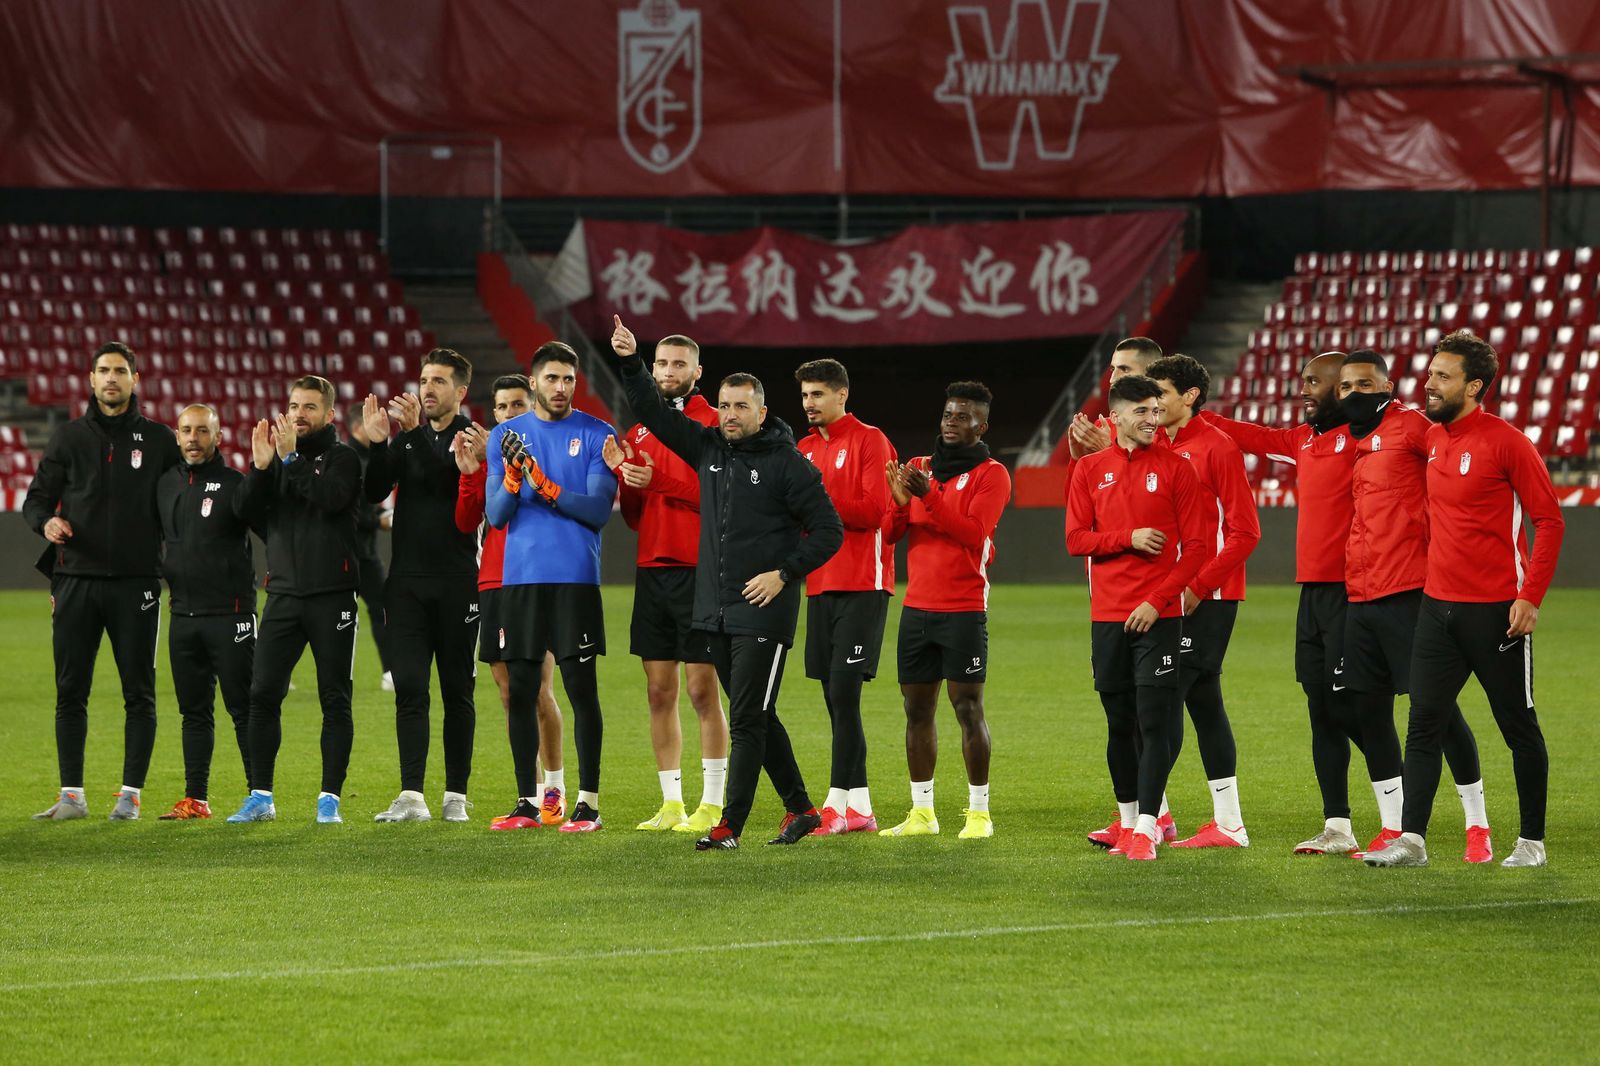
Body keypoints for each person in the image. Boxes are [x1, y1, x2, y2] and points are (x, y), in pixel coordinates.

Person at [612, 314, 843, 851]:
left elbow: (829, 531)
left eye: (743, 406)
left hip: (764, 608)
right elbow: (649, 408)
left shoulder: (789, 466)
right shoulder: (709, 448)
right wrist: (629, 362)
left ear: (762, 411)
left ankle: (727, 826)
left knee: (745, 719)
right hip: (713, 608)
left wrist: (784, 573)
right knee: (756, 713)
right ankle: (801, 808)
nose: (732, 414)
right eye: (726, 405)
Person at [1366, 330, 1565, 869]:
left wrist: (1531, 598)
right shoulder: (1431, 438)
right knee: (1424, 723)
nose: (1430, 383)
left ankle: (1531, 844)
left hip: (1497, 613)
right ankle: (1413, 841)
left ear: (1474, 386)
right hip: (1437, 608)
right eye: (1430, 373)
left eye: (1442, 376)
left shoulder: (1508, 442)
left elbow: (1549, 521)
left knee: (1518, 727)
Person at [1205, 352, 1376, 852]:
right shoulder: (1304, 440)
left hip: (1354, 592)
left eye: (1311, 382)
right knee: (1321, 711)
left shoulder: (1366, 440)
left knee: (1353, 711)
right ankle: (1338, 828)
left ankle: (1404, 811)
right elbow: (1251, 436)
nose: (1301, 389)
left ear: (1341, 388)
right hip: (1313, 595)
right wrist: (1192, 415)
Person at [1328, 350, 1490, 862]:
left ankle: (1477, 824)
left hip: (1409, 591)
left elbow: (1462, 455)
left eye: (1365, 383)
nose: (1355, 392)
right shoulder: (1352, 440)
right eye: (1346, 386)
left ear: (1388, 385)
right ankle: (1395, 827)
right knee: (1365, 708)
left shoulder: (1415, 428)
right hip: (1361, 594)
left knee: (1435, 713)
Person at [26, 341, 180, 821]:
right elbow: (36, 500)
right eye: (103, 371)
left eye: (120, 371)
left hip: (137, 584)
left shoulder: (159, 440)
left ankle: (129, 797)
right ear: (91, 380)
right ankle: (72, 796)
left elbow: (180, 505)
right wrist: (45, 524)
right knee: (71, 690)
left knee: (140, 692)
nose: (111, 379)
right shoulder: (68, 439)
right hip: (75, 579)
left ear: (135, 380)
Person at [1066, 375, 1209, 861]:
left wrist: (1159, 599)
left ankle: (1148, 827)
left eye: (1156, 411)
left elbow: (1198, 551)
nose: (1153, 420)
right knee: (1118, 722)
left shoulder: (1177, 469)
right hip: (1107, 615)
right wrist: (1127, 537)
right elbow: (1076, 540)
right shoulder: (1088, 469)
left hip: (1159, 616)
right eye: (1143, 412)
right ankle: (1127, 823)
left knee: (1153, 721)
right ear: (1118, 417)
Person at [485, 342, 616, 833]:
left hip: (575, 580)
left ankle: (587, 803)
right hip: (520, 582)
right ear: (533, 381)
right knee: (521, 691)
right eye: (551, 379)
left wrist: (544, 482)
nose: (560, 388)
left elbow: (597, 511)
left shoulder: (597, 433)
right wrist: (517, 479)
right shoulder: (506, 435)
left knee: (582, 691)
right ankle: (529, 801)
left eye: (568, 379)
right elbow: (496, 515)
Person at [602, 333, 730, 834]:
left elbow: (719, 499)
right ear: (651, 370)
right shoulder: (641, 431)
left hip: (701, 572)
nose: (669, 369)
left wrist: (655, 481)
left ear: (698, 372)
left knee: (702, 690)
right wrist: (624, 476)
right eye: (661, 362)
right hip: (652, 571)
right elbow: (636, 517)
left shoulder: (715, 425)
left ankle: (713, 802)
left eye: (679, 363)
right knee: (659, 691)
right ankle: (672, 803)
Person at [227, 375, 364, 824]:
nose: (299, 413)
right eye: (294, 405)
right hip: (283, 596)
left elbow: (330, 499)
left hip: (333, 597)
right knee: (262, 693)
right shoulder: (278, 460)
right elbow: (244, 512)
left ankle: (330, 800)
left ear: (329, 414)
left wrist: (287, 459)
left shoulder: (345, 459)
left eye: (309, 407)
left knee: (334, 698)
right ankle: (260, 795)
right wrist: (261, 468)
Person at [880, 381, 1011, 840]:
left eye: (962, 417)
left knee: (967, 708)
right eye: (947, 415)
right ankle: (922, 813)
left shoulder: (992, 474)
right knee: (916, 711)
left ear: (982, 425)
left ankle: (979, 813)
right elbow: (893, 532)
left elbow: (975, 534)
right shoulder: (918, 467)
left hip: (963, 608)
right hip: (917, 609)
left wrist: (928, 495)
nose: (951, 423)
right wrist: (900, 504)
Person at [1144, 355, 1260, 848]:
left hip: (1206, 598)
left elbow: (1245, 532)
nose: (1154, 407)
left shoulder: (1217, 448)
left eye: (1162, 396)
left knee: (1164, 698)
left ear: (1190, 396)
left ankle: (1145, 817)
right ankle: (1228, 823)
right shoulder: (1158, 446)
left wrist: (1199, 586)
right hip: (1174, 595)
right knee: (1201, 702)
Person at [363, 349, 479, 823]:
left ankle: (455, 796)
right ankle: (412, 795)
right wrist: (378, 445)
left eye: (439, 381)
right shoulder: (408, 439)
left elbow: (444, 481)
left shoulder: (471, 438)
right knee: (410, 686)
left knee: (457, 691)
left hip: (456, 583)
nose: (427, 388)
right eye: (424, 379)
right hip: (407, 584)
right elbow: (374, 490)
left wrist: (409, 436)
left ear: (461, 391)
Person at [454, 375, 568, 829]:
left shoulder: (549, 453)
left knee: (539, 690)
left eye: (516, 405)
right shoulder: (488, 464)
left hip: (537, 580)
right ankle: (530, 794)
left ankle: (554, 794)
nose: (507, 414)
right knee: (507, 693)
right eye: (500, 407)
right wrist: (470, 476)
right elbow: (467, 522)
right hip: (494, 582)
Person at [795, 358, 896, 835]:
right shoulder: (804, 448)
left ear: (841, 395)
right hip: (820, 583)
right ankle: (861, 808)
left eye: (817, 394)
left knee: (844, 691)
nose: (809, 403)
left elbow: (876, 510)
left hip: (864, 582)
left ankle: (835, 805)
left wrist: (818, 501)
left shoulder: (870, 440)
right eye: (805, 395)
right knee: (835, 699)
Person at [155, 403, 257, 820]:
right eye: (185, 431)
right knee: (193, 712)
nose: (193, 439)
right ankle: (195, 798)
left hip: (230, 615)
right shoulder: (165, 484)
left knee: (242, 708)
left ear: (218, 436)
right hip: (183, 616)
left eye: (201, 431)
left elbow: (271, 527)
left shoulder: (237, 484)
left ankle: (260, 795)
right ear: (176, 436)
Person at [344, 404, 394, 691]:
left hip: (361, 551)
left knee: (380, 608)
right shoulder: (350, 460)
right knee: (381, 608)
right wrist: (379, 522)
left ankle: (391, 671)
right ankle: (390, 672)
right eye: (368, 422)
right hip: (355, 553)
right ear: (356, 428)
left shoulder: (365, 457)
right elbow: (348, 509)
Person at [1064, 336, 1164, 461]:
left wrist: (1108, 451)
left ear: (1152, 374)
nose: (1112, 379)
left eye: (1124, 369)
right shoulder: (1103, 428)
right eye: (1113, 369)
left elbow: (1156, 476)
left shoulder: (1170, 428)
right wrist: (1079, 460)